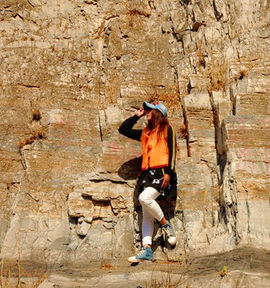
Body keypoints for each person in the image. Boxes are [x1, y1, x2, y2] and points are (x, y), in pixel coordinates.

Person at [118, 101, 177, 263]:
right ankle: (147, 249)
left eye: (149, 109)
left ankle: (166, 225)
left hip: (162, 173)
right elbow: (123, 130)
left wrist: (169, 174)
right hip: (146, 175)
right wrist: (136, 116)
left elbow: (172, 153)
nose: (147, 112)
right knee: (146, 214)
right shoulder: (146, 132)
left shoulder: (168, 129)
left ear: (158, 112)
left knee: (144, 199)